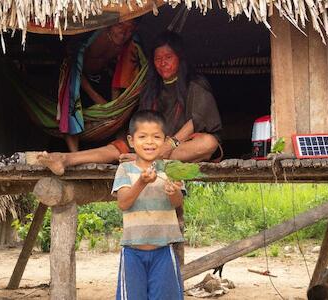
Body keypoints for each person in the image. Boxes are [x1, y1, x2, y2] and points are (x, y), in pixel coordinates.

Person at [38, 30, 222, 175]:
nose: (162, 63)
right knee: (117, 147)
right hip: (153, 144)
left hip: (179, 145)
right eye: (158, 59)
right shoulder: (151, 87)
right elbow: (144, 123)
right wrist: (148, 143)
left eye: (168, 58)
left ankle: (143, 159)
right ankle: (65, 159)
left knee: (209, 143)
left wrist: (170, 144)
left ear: (179, 59)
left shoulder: (195, 83)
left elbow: (196, 120)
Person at [112, 110, 184, 300]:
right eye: (142, 137)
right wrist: (141, 182)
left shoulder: (171, 168)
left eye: (156, 137)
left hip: (164, 251)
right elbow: (123, 203)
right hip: (132, 253)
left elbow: (178, 203)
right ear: (131, 141)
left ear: (165, 140)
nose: (150, 142)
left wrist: (174, 192)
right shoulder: (125, 169)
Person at [59, 20, 139, 152]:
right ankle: (75, 153)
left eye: (129, 28)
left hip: (101, 75)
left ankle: (123, 147)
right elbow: (74, 66)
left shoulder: (130, 42)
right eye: (120, 26)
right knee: (70, 108)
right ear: (109, 25)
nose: (124, 33)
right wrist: (96, 97)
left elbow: (122, 69)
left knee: (122, 112)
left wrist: (115, 105)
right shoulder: (93, 37)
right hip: (77, 77)